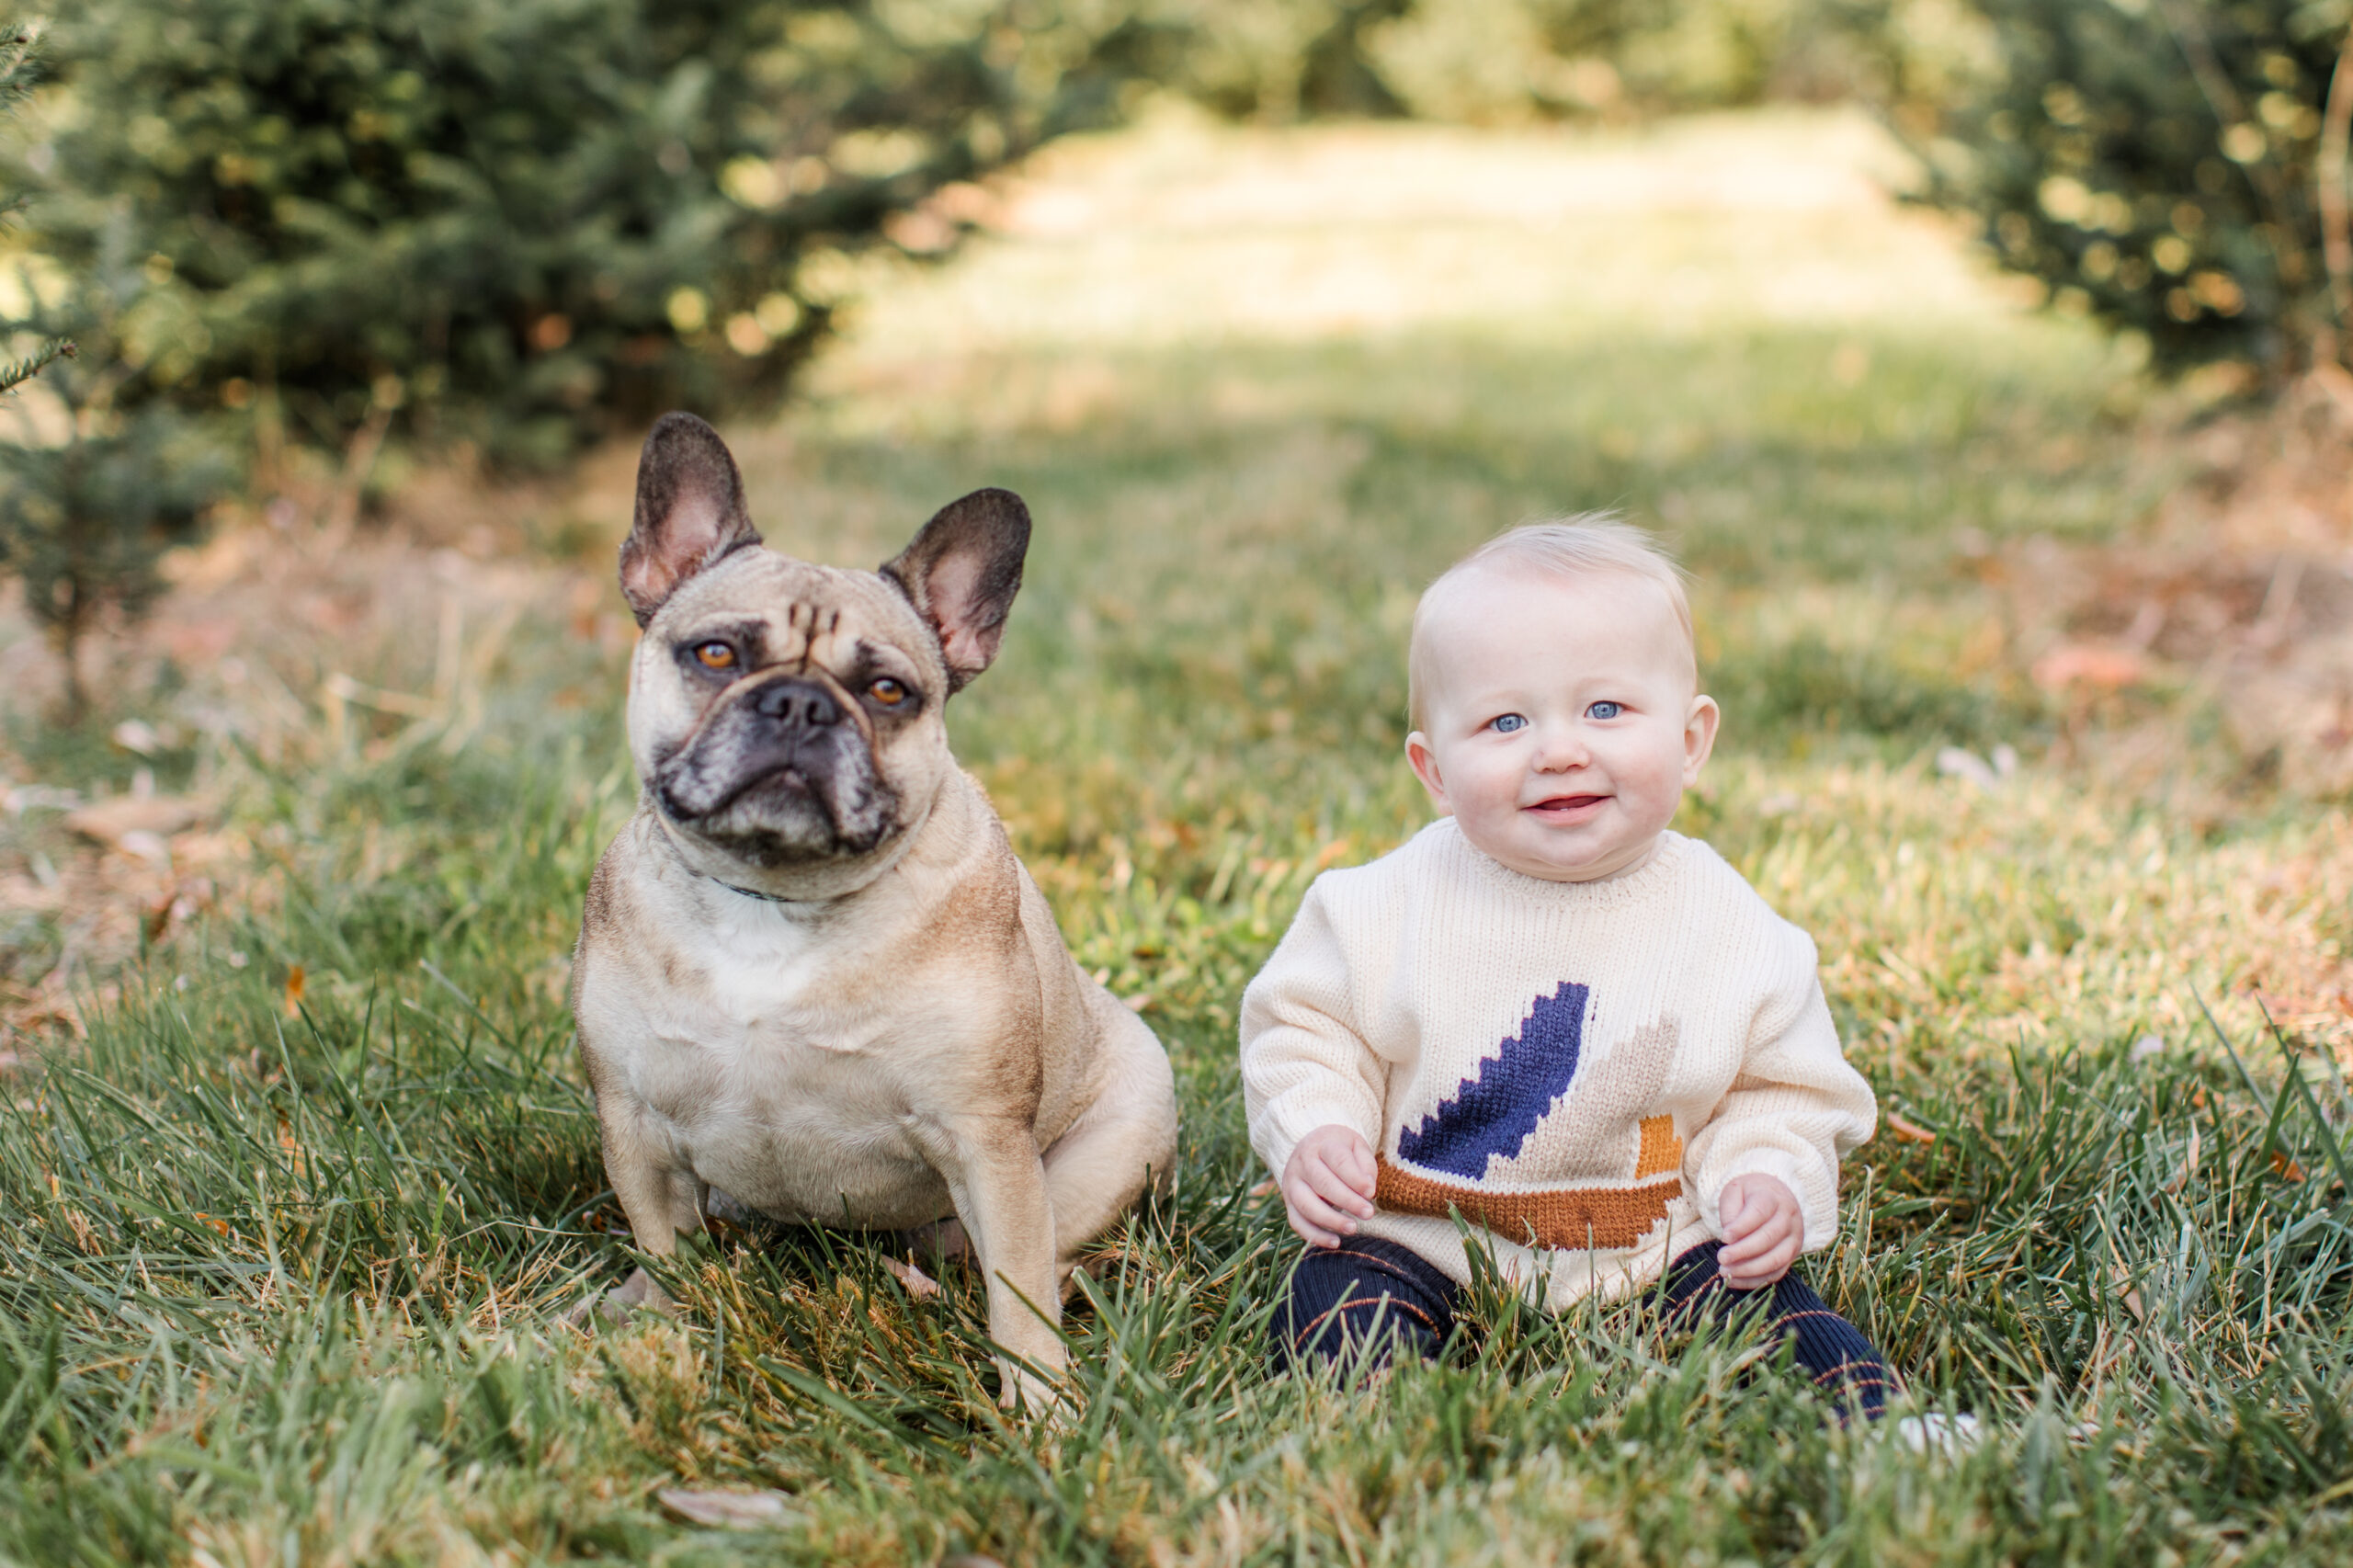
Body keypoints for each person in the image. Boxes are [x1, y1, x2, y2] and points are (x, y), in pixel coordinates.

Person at [1239, 518, 1894, 1418]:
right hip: (1416, 1232)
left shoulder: (1730, 926)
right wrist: (1314, 1126)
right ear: (1433, 770)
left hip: (1660, 1245)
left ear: (1692, 738)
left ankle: (1883, 1420)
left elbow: (1783, 1085)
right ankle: (1390, 1427)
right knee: (1329, 1309)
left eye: (1606, 709)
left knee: (1775, 1312)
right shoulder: (1376, 907)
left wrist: (1766, 1176)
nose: (1558, 749)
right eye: (1505, 720)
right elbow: (1305, 1026)